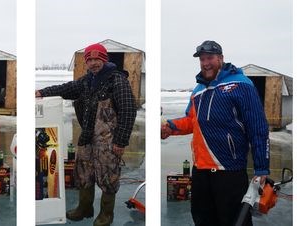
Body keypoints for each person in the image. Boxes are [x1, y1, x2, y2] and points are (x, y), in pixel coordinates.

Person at [160, 40, 269, 226]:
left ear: (221, 58)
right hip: (201, 169)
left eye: (209, 58)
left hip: (229, 170)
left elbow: (258, 127)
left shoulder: (241, 84)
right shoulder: (198, 90)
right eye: (202, 59)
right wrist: (170, 127)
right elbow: (192, 122)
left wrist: (261, 168)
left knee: (235, 220)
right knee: (202, 218)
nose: (205, 63)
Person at [36, 43, 137, 226]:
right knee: (83, 173)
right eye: (89, 59)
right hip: (87, 137)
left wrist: (121, 141)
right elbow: (66, 89)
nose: (93, 63)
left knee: (108, 176)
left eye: (97, 59)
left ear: (104, 60)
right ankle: (85, 208)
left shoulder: (117, 80)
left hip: (109, 141)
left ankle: (106, 214)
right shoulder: (86, 81)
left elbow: (128, 111)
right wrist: (42, 92)